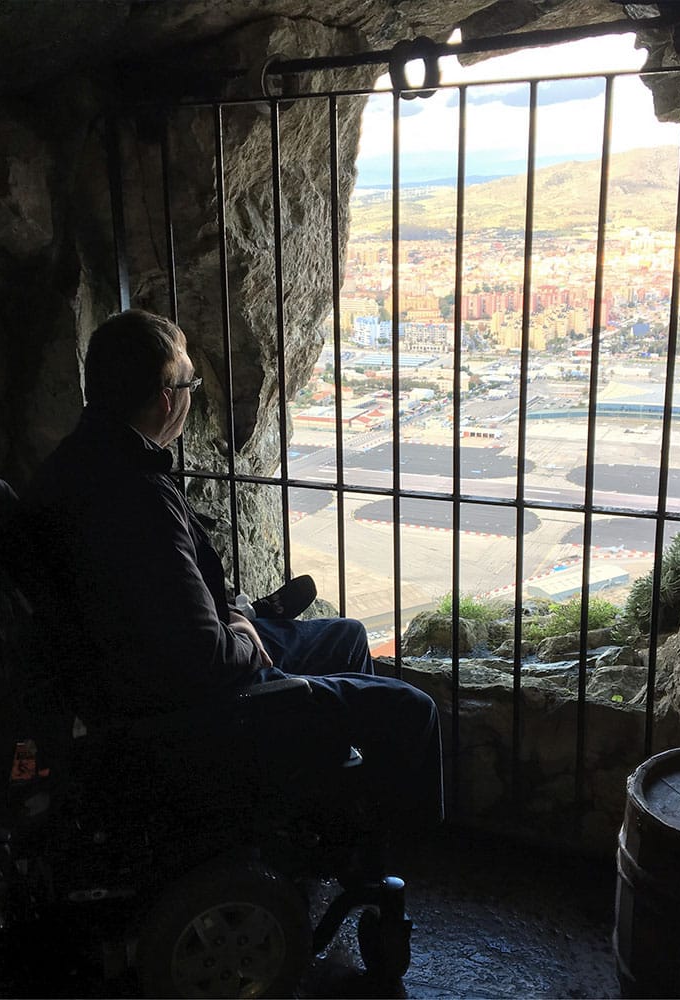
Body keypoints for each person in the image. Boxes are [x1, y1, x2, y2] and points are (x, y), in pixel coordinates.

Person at [26, 308, 443, 833]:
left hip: (136, 681)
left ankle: (328, 815)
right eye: (190, 383)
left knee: (348, 636)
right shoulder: (136, 497)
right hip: (202, 711)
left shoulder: (77, 464)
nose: (191, 394)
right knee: (412, 708)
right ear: (165, 395)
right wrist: (242, 636)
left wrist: (235, 617)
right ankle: (391, 857)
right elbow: (206, 658)